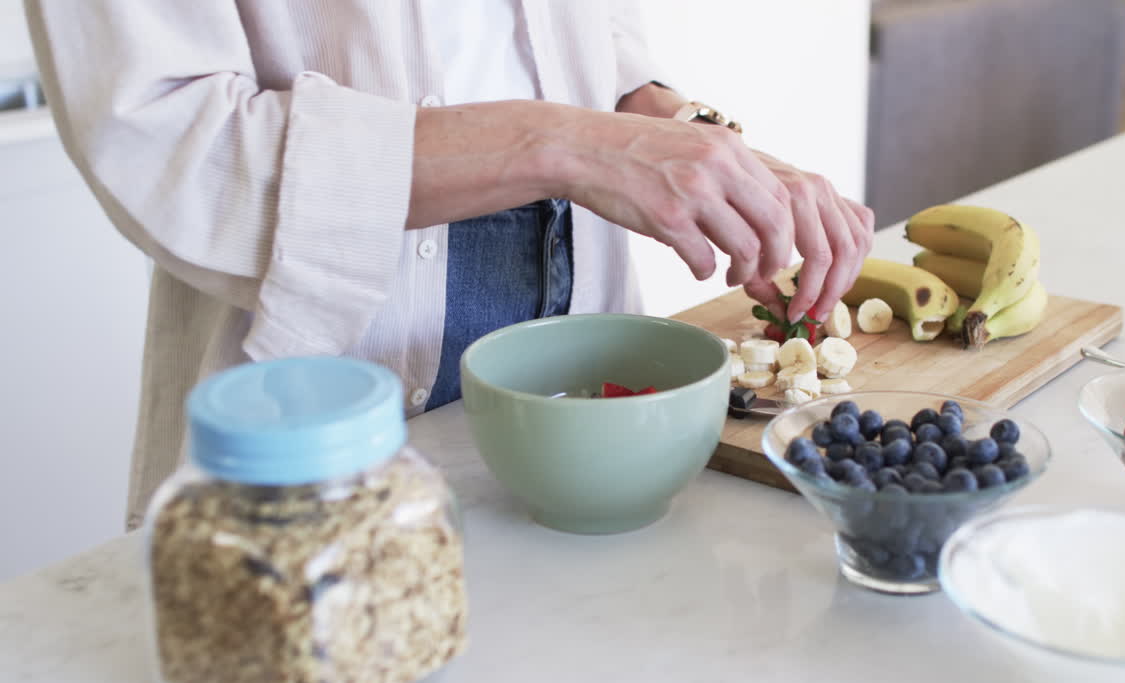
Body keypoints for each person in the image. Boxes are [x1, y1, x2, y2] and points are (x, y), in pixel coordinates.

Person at [24, 1, 874, 528]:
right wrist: (567, 144)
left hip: (586, 348)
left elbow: (587, 25)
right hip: (314, 394)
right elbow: (169, 139)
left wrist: (676, 126)